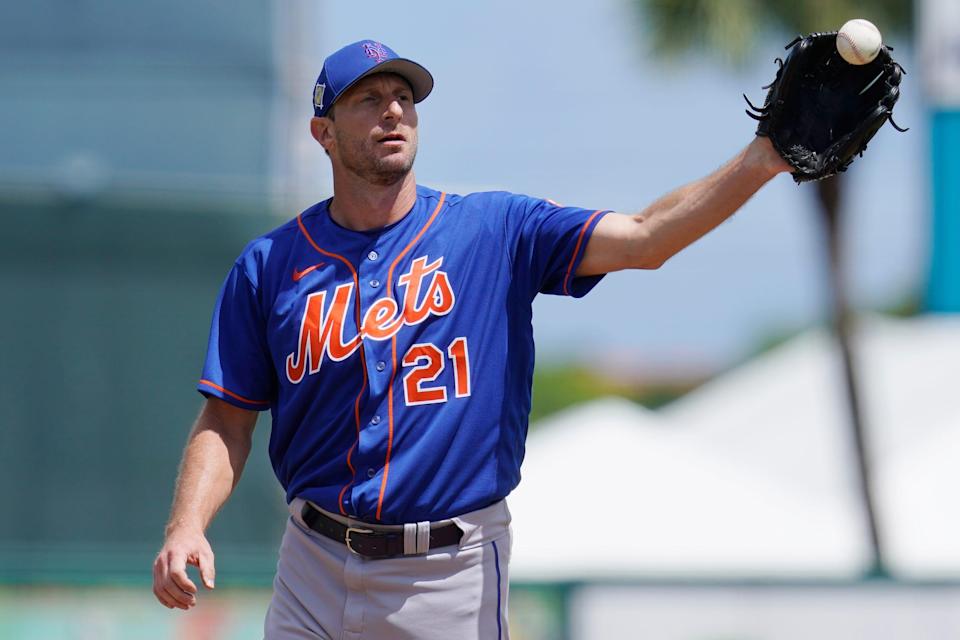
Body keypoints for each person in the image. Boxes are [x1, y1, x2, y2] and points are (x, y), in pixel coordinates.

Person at [152, 39, 791, 639]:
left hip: (448, 574)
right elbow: (227, 417)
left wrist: (759, 160)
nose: (393, 111)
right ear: (323, 132)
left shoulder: (493, 231)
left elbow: (647, 238)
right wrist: (187, 525)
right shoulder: (270, 264)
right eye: (368, 99)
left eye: (404, 98)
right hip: (312, 564)